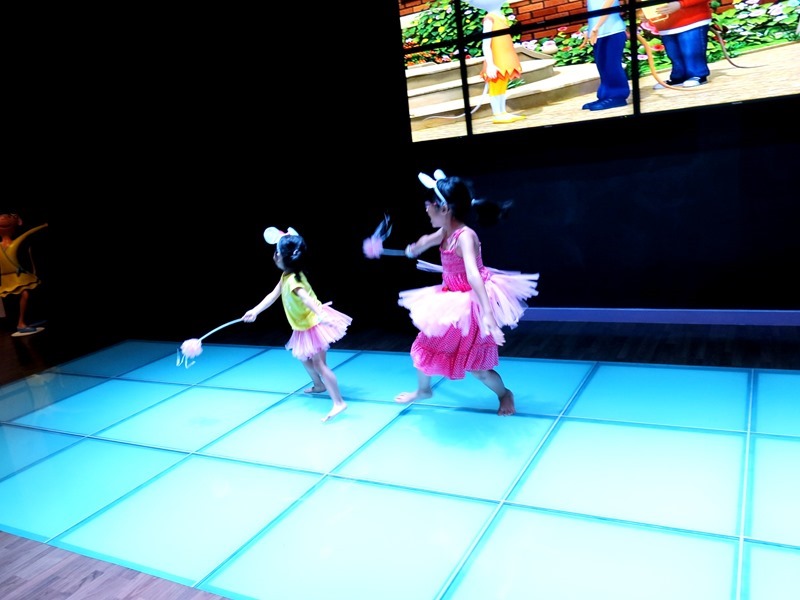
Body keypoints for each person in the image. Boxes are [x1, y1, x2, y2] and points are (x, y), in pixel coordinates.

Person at [395, 170, 540, 416]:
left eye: (430, 204)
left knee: (478, 369)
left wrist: (488, 315)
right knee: (426, 345)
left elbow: (473, 275)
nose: (426, 208)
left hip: (473, 303)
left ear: (444, 208)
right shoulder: (445, 232)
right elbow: (426, 241)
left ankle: (504, 394)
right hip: (450, 300)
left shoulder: (466, 237)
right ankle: (423, 390)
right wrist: (413, 249)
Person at [242, 226, 352, 422]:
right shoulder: (286, 276)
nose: (274, 256)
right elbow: (272, 295)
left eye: (276, 253)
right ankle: (319, 385)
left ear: (285, 257)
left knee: (320, 364)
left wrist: (321, 315)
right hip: (302, 326)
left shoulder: (293, 280)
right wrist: (255, 311)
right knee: (303, 358)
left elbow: (306, 299)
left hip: (314, 324)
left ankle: (338, 402)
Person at [470, 1, 526, 124]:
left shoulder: (500, 16)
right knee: (496, 86)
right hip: (496, 59)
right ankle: (497, 114)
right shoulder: (489, 19)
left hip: (505, 57)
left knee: (502, 85)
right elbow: (486, 44)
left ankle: (502, 112)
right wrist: (490, 65)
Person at [0, 211, 48, 336]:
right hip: (9, 277)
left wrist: (43, 226)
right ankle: (20, 323)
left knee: (26, 293)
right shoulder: (10, 244)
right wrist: (43, 226)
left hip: (16, 276)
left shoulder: (13, 243)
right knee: (23, 295)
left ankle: (24, 321)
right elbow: (28, 233)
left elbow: (28, 233)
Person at [647, 0, 712, 88]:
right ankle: (679, 76)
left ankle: (697, 74)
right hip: (665, 25)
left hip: (692, 20)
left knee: (691, 51)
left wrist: (681, 4)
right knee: (674, 54)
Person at [582, 0, 630, 111]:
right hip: (598, 35)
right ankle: (605, 95)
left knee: (612, 65)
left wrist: (596, 27)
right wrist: (589, 30)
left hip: (613, 32)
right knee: (603, 66)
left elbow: (608, 7)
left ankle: (617, 96)